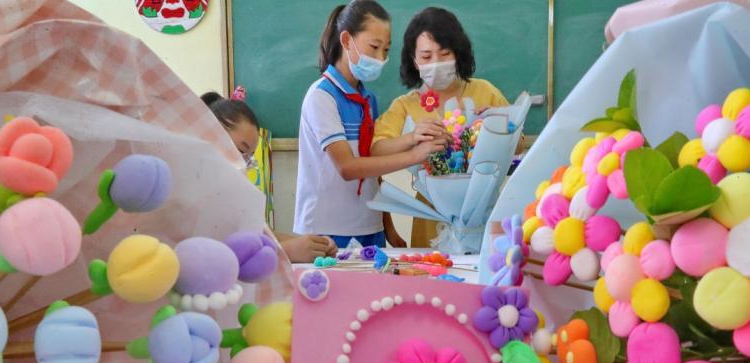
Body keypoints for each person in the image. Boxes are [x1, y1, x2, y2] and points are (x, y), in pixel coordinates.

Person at [294, 0, 445, 249]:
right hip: (329, 229)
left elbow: (373, 167)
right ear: (346, 40)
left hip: (370, 227)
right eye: (374, 47)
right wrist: (415, 155)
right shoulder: (322, 96)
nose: (381, 58)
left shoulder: (367, 99)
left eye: (386, 50)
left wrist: (388, 227)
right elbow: (348, 167)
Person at [372, 7, 522, 247]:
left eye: (444, 54)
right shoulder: (405, 105)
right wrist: (412, 138)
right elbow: (376, 150)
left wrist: (496, 124)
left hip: (481, 213)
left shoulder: (485, 91)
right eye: (426, 56)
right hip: (429, 215)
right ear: (414, 60)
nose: (436, 63)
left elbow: (519, 145)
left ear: (457, 53)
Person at [202, 91, 338, 262]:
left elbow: (257, 231)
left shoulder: (227, 189)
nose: (243, 163)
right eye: (241, 150)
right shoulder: (190, 187)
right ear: (211, 132)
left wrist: (313, 245)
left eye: (249, 158)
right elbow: (211, 255)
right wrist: (286, 251)